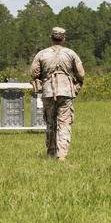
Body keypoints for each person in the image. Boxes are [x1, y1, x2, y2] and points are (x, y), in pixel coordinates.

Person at [29, 27, 85, 162]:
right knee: (64, 123)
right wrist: (78, 83)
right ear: (63, 39)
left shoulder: (42, 54)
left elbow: (33, 73)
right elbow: (81, 73)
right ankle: (62, 155)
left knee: (50, 123)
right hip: (66, 93)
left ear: (51, 38)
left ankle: (51, 153)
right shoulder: (70, 53)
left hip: (48, 92)